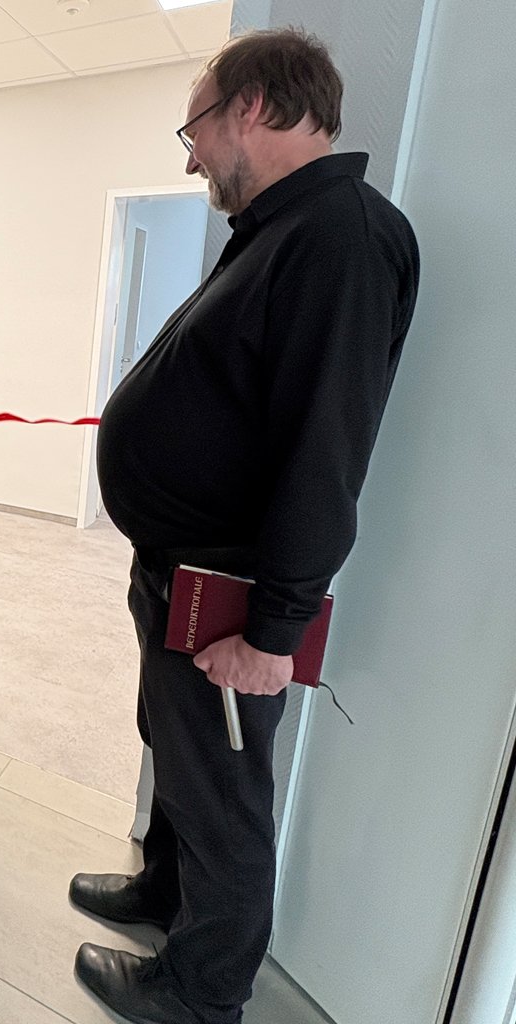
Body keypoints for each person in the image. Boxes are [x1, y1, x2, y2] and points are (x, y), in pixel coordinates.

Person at [74, 30, 419, 1024]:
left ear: (251, 110)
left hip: (228, 596)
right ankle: (162, 894)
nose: (187, 156)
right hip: (178, 572)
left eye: (193, 128)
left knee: (222, 794)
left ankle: (198, 991)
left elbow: (326, 447)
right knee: (177, 755)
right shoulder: (279, 231)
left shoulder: (339, 239)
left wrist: (272, 629)